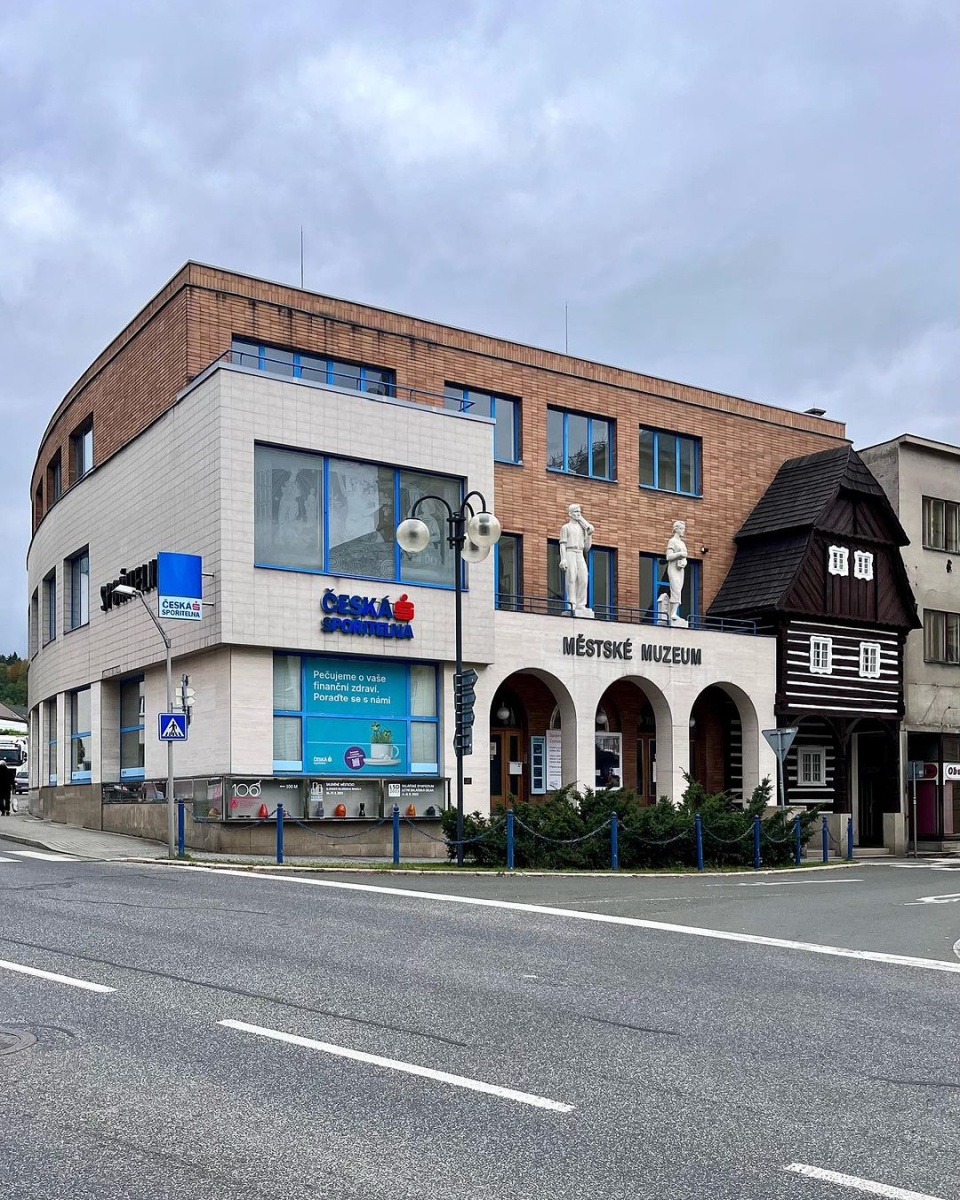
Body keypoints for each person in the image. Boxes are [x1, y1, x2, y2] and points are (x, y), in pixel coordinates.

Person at [559, 504, 595, 616]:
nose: (578, 514)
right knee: (571, 578)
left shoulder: (582, 529)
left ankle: (581, 604)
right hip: (570, 552)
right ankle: (572, 604)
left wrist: (589, 535)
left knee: (583, 578)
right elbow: (562, 544)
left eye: (579, 511)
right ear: (570, 514)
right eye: (575, 511)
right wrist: (563, 559)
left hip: (579, 553)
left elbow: (587, 547)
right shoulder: (566, 527)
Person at [665, 520, 689, 627]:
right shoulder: (672, 541)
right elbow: (668, 556)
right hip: (673, 568)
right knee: (675, 589)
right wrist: (680, 554)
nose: (683, 531)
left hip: (680, 568)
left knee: (679, 589)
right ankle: (672, 613)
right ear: (677, 529)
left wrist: (684, 561)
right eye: (682, 529)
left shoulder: (682, 543)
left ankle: (673, 612)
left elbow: (684, 556)